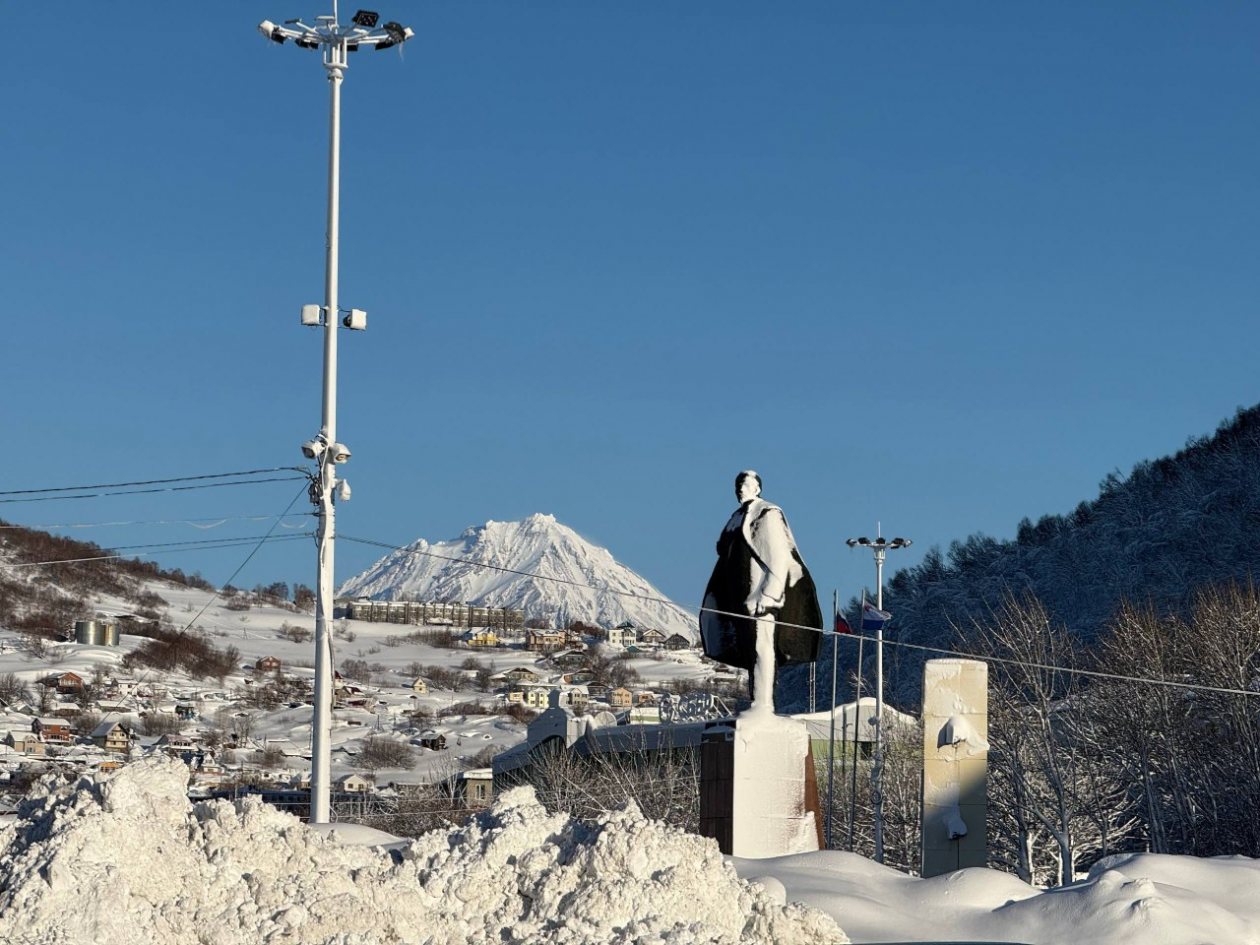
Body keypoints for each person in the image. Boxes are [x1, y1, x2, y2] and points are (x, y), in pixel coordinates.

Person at [699, 471, 822, 712]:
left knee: (761, 647)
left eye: (745, 485)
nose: (740, 490)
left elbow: (778, 555)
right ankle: (757, 699)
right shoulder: (735, 518)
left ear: (757, 488)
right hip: (737, 599)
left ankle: (763, 703)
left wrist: (769, 593)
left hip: (760, 597)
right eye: (738, 485)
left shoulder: (768, 512)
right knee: (747, 651)